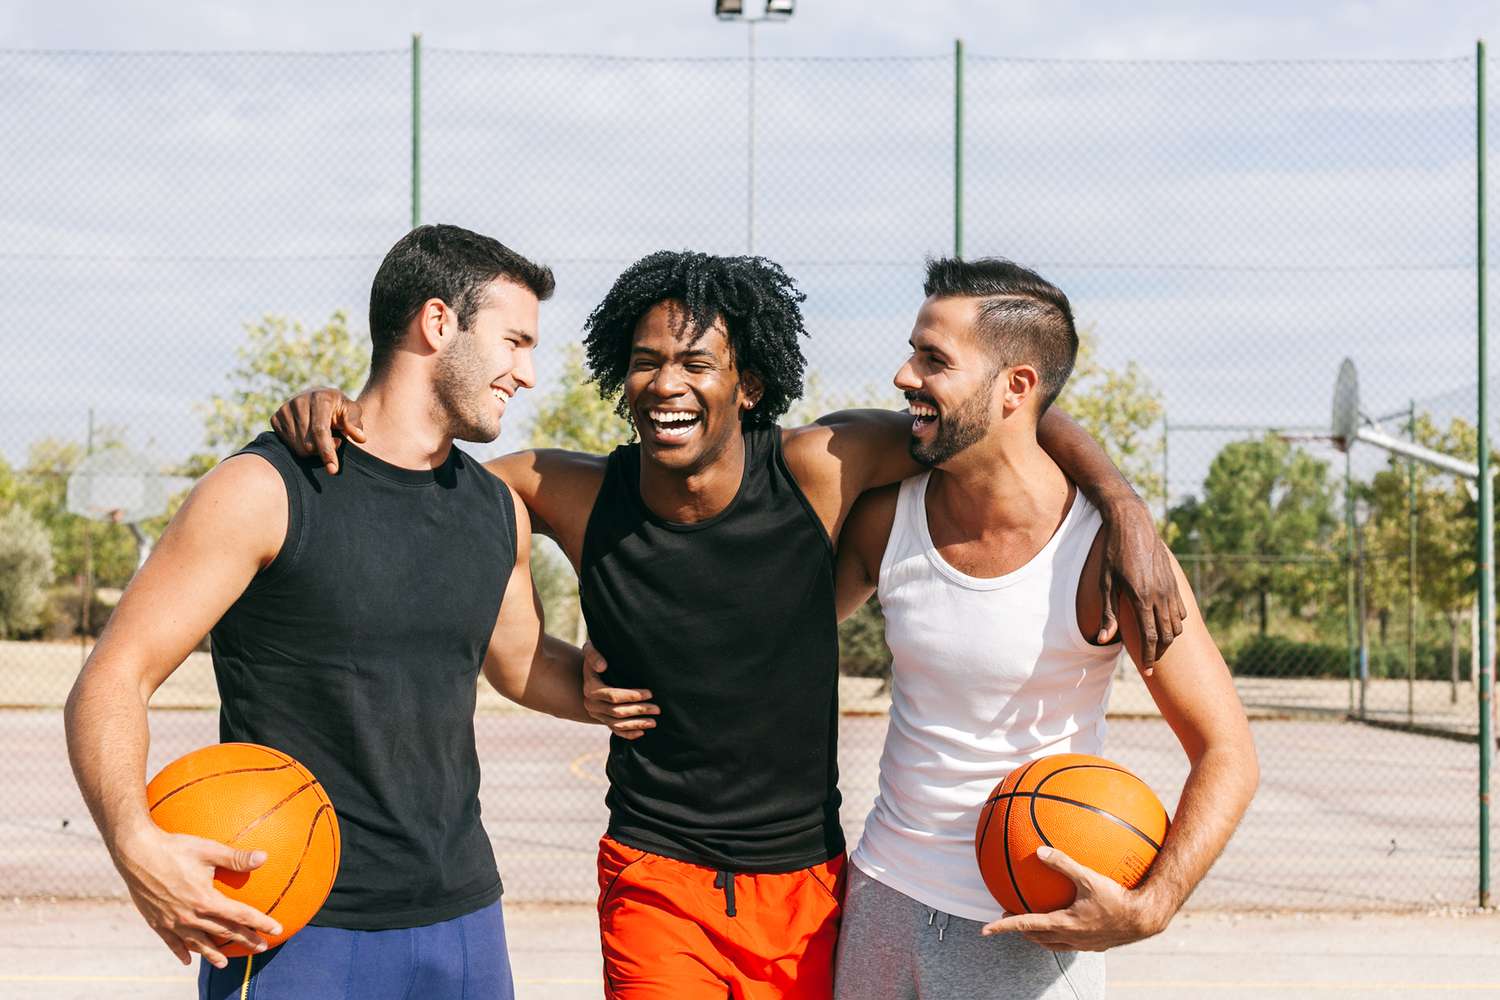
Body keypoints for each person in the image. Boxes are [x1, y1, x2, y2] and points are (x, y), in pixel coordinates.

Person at [272, 249, 1184, 999]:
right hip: (655, 876)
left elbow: (993, 419)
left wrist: (1121, 502)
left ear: (747, 386)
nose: (666, 381)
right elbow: (463, 498)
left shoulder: (819, 467)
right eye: (644, 360)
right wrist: (345, 414)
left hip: (811, 889)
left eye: (695, 362)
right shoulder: (569, 492)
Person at [64, 224, 615, 1000]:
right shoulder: (266, 490)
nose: (527, 373)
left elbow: (525, 664)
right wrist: (132, 838)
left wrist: (616, 689)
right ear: (436, 323)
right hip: (296, 923)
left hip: (463, 921)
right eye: (515, 341)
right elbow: (112, 678)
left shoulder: (493, 510)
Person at [829, 257, 1259, 1000]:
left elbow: (1228, 752)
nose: (904, 376)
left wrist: (1153, 904)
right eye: (913, 351)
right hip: (881, 897)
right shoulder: (887, 517)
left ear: (1016, 388)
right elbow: (777, 639)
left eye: (934, 360)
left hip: (1029, 924)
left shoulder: (1110, 556)